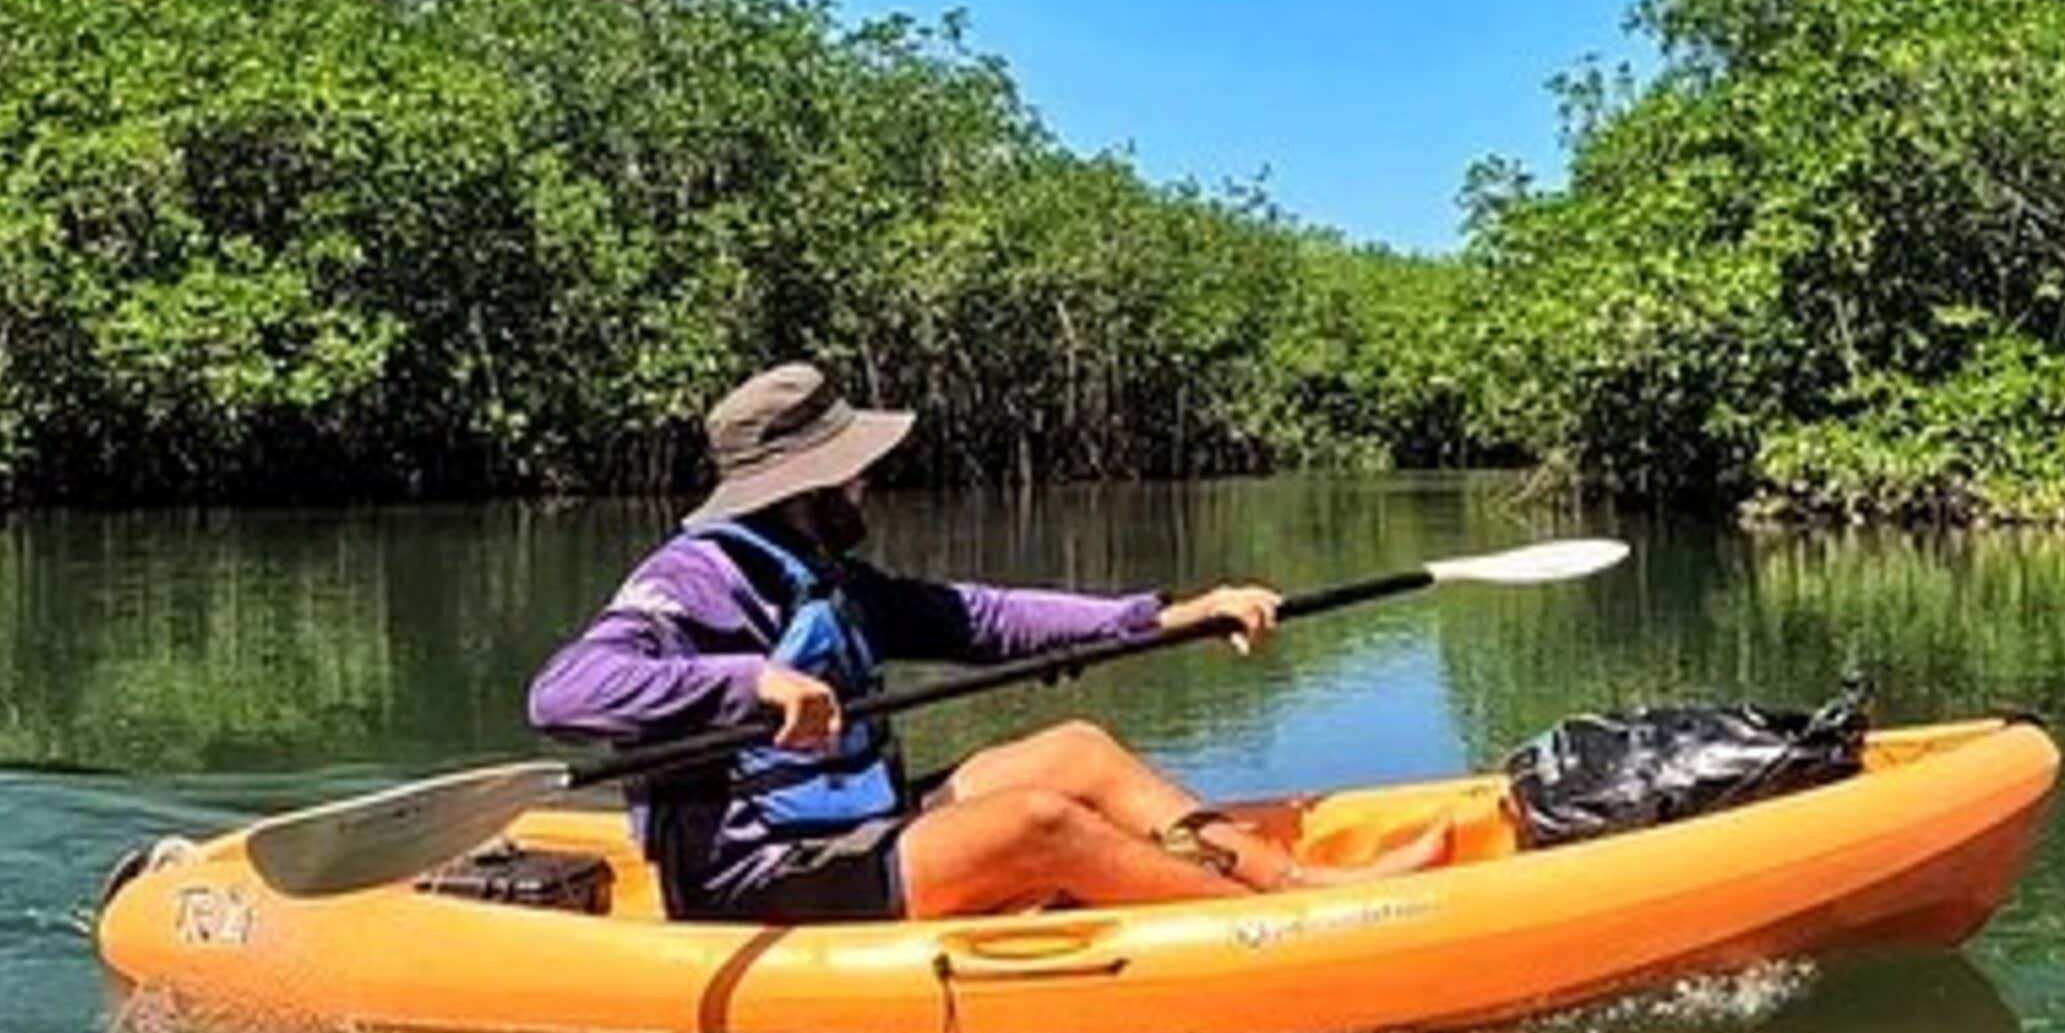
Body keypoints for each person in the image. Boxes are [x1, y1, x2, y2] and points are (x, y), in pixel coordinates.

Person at [526, 362, 1419, 923]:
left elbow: (988, 620)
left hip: (856, 832)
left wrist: (1166, 615)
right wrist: (750, 683)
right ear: (813, 480)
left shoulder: (828, 573)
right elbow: (565, 691)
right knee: (1036, 822)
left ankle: (1289, 883)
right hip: (755, 876)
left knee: (1074, 751)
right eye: (856, 469)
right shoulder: (692, 580)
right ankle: (1263, 933)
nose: (868, 483)